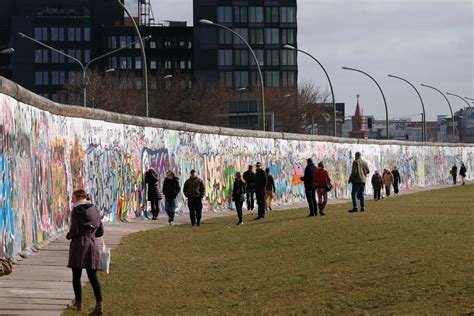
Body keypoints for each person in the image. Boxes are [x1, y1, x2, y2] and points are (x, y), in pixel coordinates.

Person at [66, 189, 104, 315]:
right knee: (93, 277)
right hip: (92, 245)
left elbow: (75, 230)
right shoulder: (94, 209)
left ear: (79, 197)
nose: (72, 200)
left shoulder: (77, 211)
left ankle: (78, 303)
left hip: (79, 245)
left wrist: (69, 235)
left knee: (76, 275)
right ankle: (99, 305)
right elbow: (100, 231)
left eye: (73, 198)